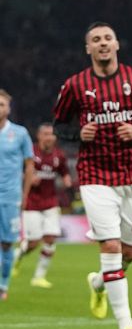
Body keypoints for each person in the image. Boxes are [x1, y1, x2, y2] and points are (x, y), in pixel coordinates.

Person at [53, 22, 132, 329]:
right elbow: (59, 126)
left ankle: (98, 284)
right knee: (111, 247)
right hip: (93, 176)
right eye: (95, 40)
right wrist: (78, 134)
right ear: (88, 48)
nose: (102, 44)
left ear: (116, 44)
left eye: (107, 38)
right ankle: (127, 327)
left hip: (131, 177)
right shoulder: (75, 85)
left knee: (129, 253)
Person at [12, 123, 72, 289]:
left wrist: (66, 179)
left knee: (51, 239)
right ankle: (17, 257)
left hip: (51, 202)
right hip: (31, 203)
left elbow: (64, 170)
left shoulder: (59, 155)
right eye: (45, 134)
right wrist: (27, 177)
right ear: (39, 136)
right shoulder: (30, 152)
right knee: (32, 243)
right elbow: (15, 169)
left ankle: (39, 277)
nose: (49, 137)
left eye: (51, 134)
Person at [0, 89, 35, 301]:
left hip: (10, 196)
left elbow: (29, 165)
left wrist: (25, 195)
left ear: (9, 108)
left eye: (2, 104)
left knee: (6, 243)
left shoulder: (20, 133)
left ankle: (3, 285)